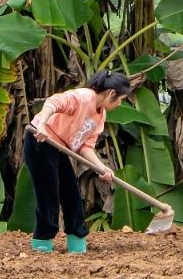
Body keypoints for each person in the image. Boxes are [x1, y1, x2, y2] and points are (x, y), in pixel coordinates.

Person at [23, 70, 137, 255]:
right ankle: (42, 242)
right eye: (120, 99)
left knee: (72, 194)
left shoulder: (100, 116)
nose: (120, 103)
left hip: (59, 147)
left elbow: (85, 146)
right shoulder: (83, 97)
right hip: (40, 140)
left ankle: (76, 242)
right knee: (48, 194)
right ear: (111, 93)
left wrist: (101, 168)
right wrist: (42, 124)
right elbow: (53, 102)